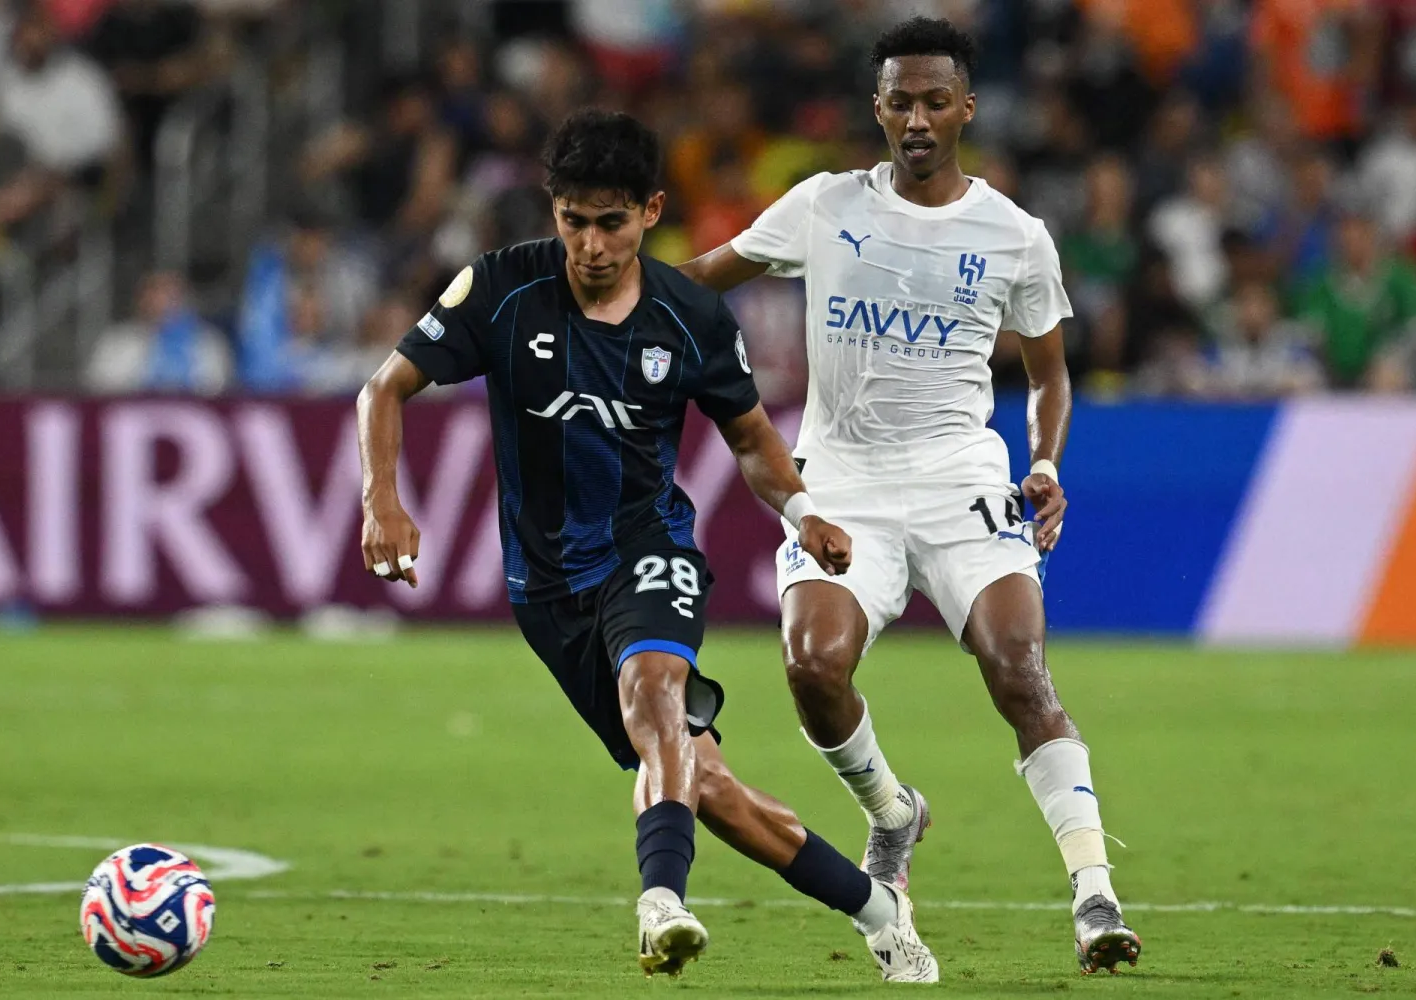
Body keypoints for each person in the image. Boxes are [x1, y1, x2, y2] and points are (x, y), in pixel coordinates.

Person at [356, 109, 939, 984]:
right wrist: (381, 500)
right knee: (708, 787)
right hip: (546, 587)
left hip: (649, 547)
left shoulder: (690, 315)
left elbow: (750, 439)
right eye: (574, 221)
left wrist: (803, 510)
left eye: (612, 222)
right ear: (553, 210)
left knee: (657, 684)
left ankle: (662, 902)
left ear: (652, 211)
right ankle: (878, 910)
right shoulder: (501, 289)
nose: (591, 245)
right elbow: (384, 388)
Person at [676, 17, 1142, 975]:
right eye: (900, 102)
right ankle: (892, 810)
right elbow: (700, 281)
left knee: (1019, 670)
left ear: (967, 107)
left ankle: (1095, 894)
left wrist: (1045, 463)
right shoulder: (824, 204)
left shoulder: (1015, 235)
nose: (918, 119)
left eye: (935, 101)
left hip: (960, 481)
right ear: (878, 109)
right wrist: (588, 294)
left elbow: (1050, 375)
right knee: (813, 667)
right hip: (841, 482)